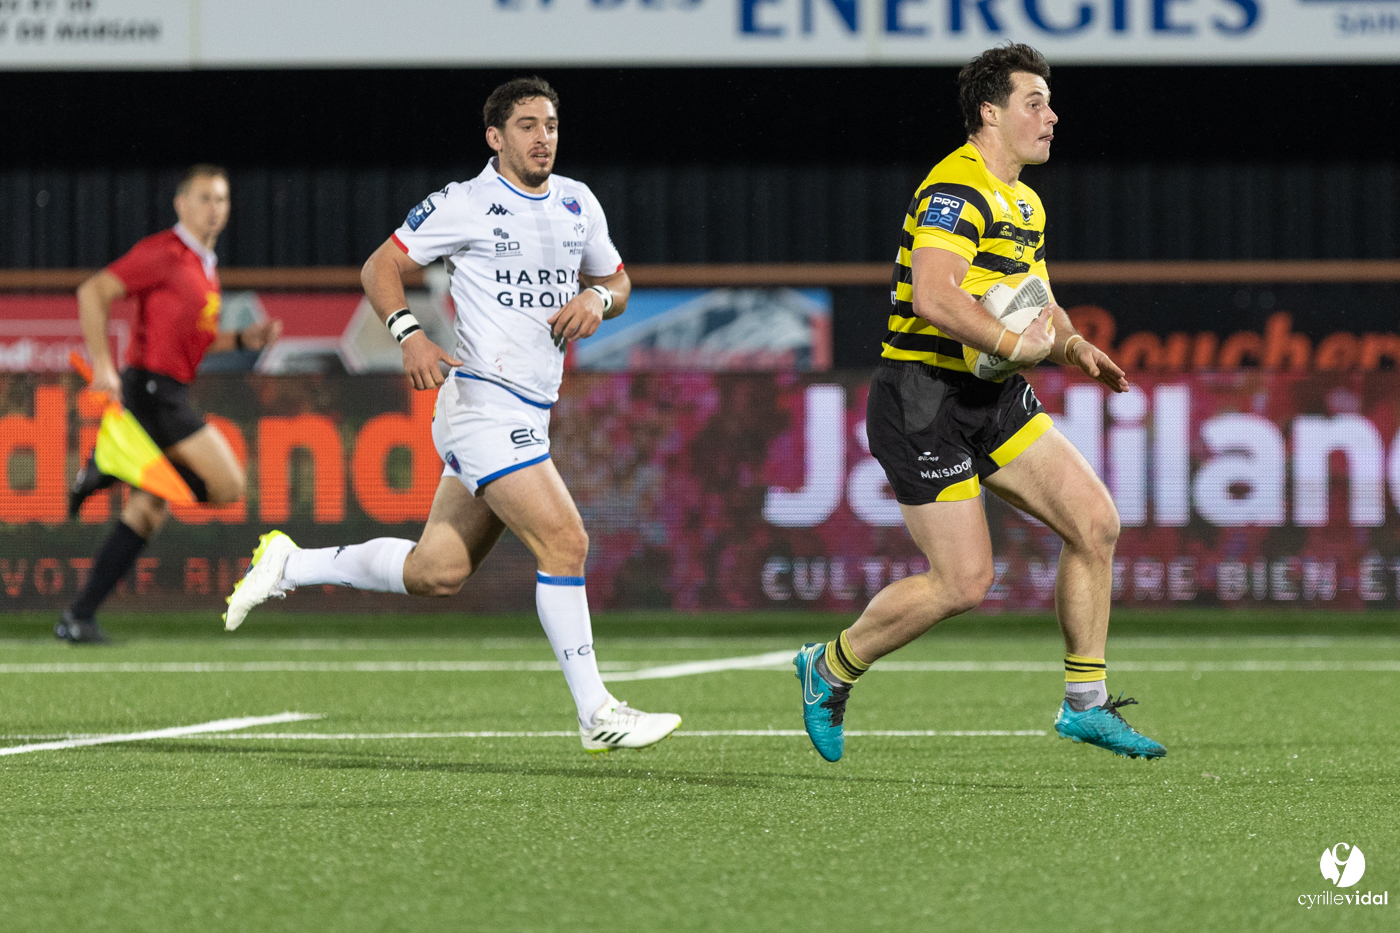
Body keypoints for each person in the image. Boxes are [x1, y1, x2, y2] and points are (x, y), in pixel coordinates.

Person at [223, 77, 682, 754]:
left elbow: (617, 279)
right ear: (495, 138)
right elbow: (380, 266)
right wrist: (408, 332)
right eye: (526, 125)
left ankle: (290, 564)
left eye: (550, 124)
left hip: (529, 407)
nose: (542, 137)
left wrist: (601, 302)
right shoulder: (465, 204)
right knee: (566, 542)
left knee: (437, 570)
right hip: (482, 405)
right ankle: (596, 712)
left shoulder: (579, 202)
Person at [794, 44, 1165, 762]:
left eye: (1051, 104)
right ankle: (829, 667)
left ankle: (1085, 703)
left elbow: (1040, 303)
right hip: (921, 400)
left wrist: (1072, 346)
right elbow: (934, 296)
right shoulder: (956, 190)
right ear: (988, 114)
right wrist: (1010, 340)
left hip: (990, 396)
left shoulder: (1023, 200)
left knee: (1095, 523)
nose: (1051, 117)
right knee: (964, 582)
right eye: (1035, 103)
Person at [58, 165, 281, 644]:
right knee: (227, 484)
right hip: (152, 392)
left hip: (169, 389)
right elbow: (92, 292)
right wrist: (103, 366)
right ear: (180, 204)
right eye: (204, 198)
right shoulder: (164, 252)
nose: (214, 209)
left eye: (221, 200)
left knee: (146, 512)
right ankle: (111, 467)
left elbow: (194, 342)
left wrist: (243, 337)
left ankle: (77, 617)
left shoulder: (205, 265)